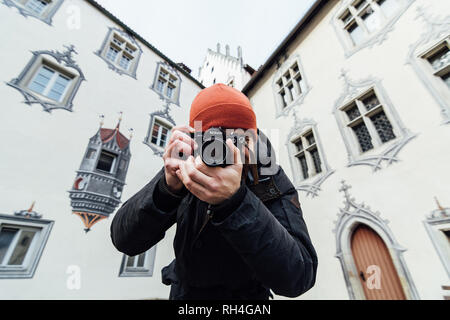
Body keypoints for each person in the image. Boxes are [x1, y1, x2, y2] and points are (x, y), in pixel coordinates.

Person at [110, 83, 318, 300]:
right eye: (213, 140)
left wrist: (236, 203)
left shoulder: (266, 175)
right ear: (194, 140)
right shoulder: (187, 166)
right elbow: (124, 239)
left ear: (252, 138)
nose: (226, 150)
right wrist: (166, 188)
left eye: (237, 139)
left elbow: (300, 276)